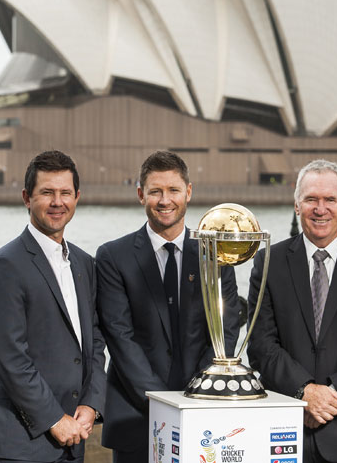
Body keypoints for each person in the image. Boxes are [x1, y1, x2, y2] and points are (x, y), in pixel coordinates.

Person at [96, 150, 239, 463]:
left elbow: (226, 329)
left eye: (173, 190)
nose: (165, 200)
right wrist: (161, 404)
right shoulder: (112, 257)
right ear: (140, 195)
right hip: (136, 414)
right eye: (155, 191)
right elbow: (119, 336)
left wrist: (197, 394)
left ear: (188, 192)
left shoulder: (216, 253)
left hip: (203, 413)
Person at [0, 150, 106, 462]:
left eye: (65, 193)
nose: (58, 202)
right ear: (27, 198)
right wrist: (54, 419)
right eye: (47, 193)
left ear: (77, 197)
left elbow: (95, 340)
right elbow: (9, 358)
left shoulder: (84, 263)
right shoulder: (5, 266)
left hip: (73, 437)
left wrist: (91, 402)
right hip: (19, 442)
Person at [247, 159, 337, 463]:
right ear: (297, 205)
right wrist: (304, 392)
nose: (320, 209)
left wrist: (331, 397)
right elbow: (260, 343)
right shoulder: (269, 260)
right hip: (280, 430)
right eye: (311, 199)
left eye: (330, 199)